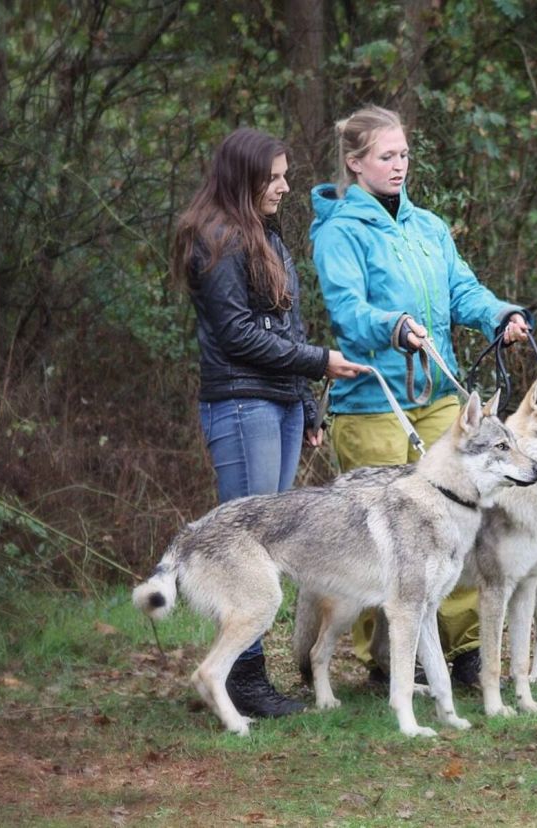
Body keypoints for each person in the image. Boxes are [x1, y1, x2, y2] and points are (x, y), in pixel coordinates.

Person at [310, 105, 532, 687]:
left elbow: (462, 290)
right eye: (387, 156)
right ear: (356, 164)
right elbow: (347, 310)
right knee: (383, 538)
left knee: (457, 524)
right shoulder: (339, 232)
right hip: (371, 398)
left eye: (404, 154)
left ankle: (461, 651)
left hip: (439, 395)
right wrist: (393, 324)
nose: (399, 165)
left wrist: (499, 315)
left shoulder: (427, 226)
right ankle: (386, 658)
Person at [171, 127, 370, 717]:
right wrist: (320, 364)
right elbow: (237, 335)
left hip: (280, 402)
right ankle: (244, 682)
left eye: (286, 175)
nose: (285, 186)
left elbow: (287, 325)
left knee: (269, 540)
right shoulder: (216, 239)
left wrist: (307, 402)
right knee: (247, 546)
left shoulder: (264, 234)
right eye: (275, 177)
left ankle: (242, 676)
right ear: (244, 179)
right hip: (240, 404)